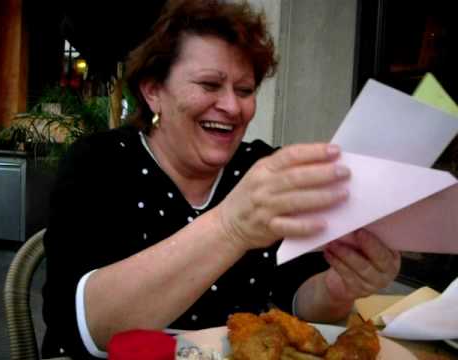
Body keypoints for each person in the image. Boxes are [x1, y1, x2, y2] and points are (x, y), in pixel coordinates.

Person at [41, 1, 401, 359]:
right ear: (153, 91)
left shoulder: (258, 167)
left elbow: (300, 299)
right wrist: (230, 226)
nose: (232, 106)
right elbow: (82, 325)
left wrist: (337, 289)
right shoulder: (100, 163)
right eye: (210, 84)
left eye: (245, 91)